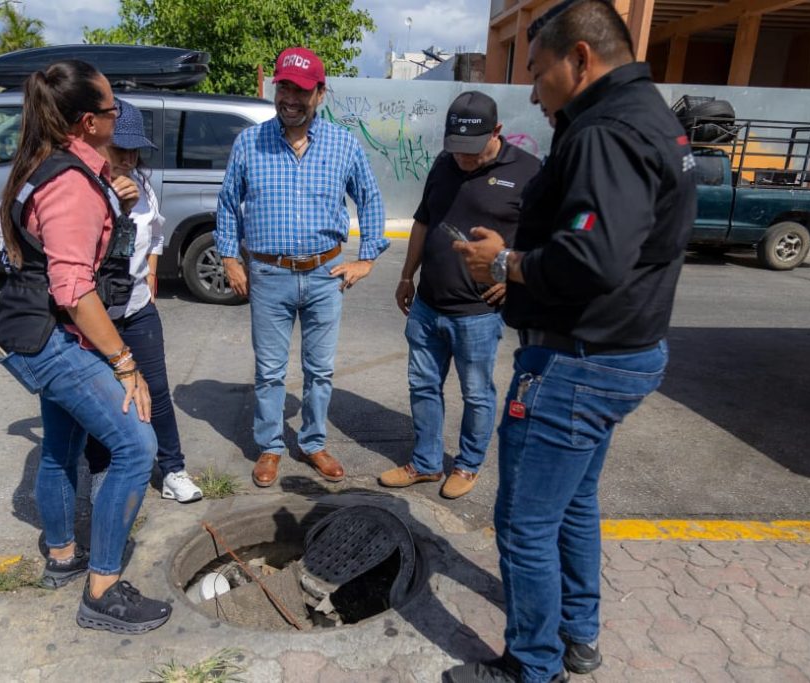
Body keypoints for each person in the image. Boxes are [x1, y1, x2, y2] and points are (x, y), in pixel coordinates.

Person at [446, 1, 697, 681]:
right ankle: (577, 635)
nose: (532, 92)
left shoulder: (606, 131)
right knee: (574, 502)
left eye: (537, 72)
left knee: (524, 523)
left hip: (577, 363)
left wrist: (505, 262)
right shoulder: (652, 117)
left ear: (580, 58)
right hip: (621, 352)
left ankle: (533, 665)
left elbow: (594, 257)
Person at [0, 59, 171, 634]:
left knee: (60, 448)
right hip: (51, 337)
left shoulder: (51, 165)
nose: (119, 116)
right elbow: (73, 289)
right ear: (90, 122)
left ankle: (64, 556)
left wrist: (112, 201)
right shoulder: (70, 182)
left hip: (36, 330)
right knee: (136, 447)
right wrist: (125, 364)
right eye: (113, 108)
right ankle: (102, 591)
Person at [215, 46, 388, 488]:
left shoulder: (343, 144)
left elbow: (370, 198)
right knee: (270, 371)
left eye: (301, 91)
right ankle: (271, 446)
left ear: (320, 94)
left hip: (324, 275)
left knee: (320, 370)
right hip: (268, 275)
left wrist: (367, 258)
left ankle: (312, 442)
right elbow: (228, 204)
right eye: (284, 88)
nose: (290, 99)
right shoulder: (249, 143)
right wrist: (230, 258)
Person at [378, 92, 539, 500]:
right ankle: (426, 463)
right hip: (428, 304)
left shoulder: (528, 171)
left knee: (477, 394)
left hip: (478, 313)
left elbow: (544, 239)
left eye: (471, 148)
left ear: (496, 131)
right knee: (423, 386)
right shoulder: (443, 162)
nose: (462, 157)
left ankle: (467, 465)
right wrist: (406, 276)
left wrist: (515, 278)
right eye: (456, 147)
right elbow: (423, 221)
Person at [85, 99, 203, 505]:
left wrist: (150, 274)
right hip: (93, 317)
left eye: (135, 151)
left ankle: (172, 469)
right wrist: (113, 204)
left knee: (156, 391)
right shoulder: (80, 187)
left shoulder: (142, 185)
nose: (129, 159)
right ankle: (102, 476)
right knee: (104, 400)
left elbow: (155, 234)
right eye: (120, 149)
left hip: (137, 309)